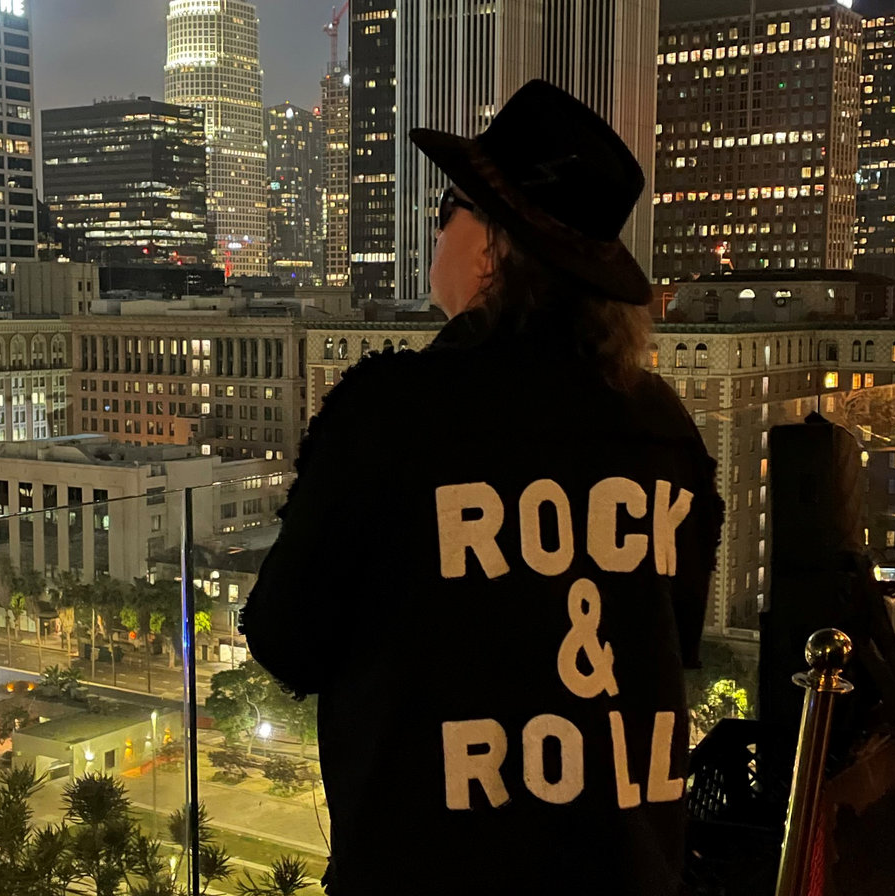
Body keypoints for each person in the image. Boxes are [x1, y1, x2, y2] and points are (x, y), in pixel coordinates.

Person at [241, 79, 724, 896]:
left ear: (492, 248)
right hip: (626, 870)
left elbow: (286, 638)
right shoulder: (665, 427)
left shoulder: (392, 412)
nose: (437, 232)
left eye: (447, 211)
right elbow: (672, 637)